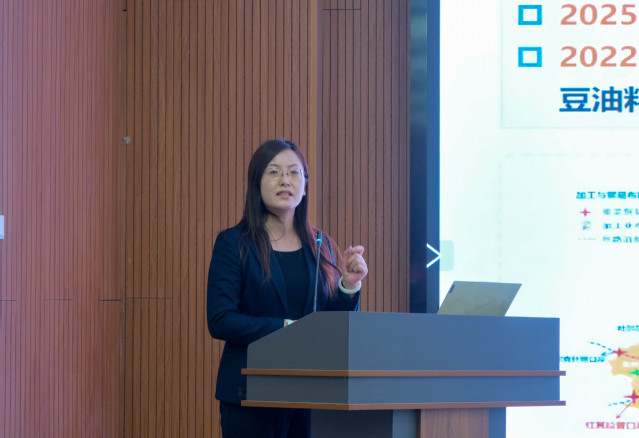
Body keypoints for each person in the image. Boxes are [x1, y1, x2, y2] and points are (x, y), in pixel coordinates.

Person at [206, 139, 368, 438]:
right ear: (256, 183)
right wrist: (285, 328)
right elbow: (221, 319)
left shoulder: (320, 244)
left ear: (304, 187)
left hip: (311, 393)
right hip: (250, 393)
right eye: (274, 171)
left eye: (294, 172)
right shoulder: (233, 243)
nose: (285, 180)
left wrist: (348, 285)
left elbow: (329, 324)